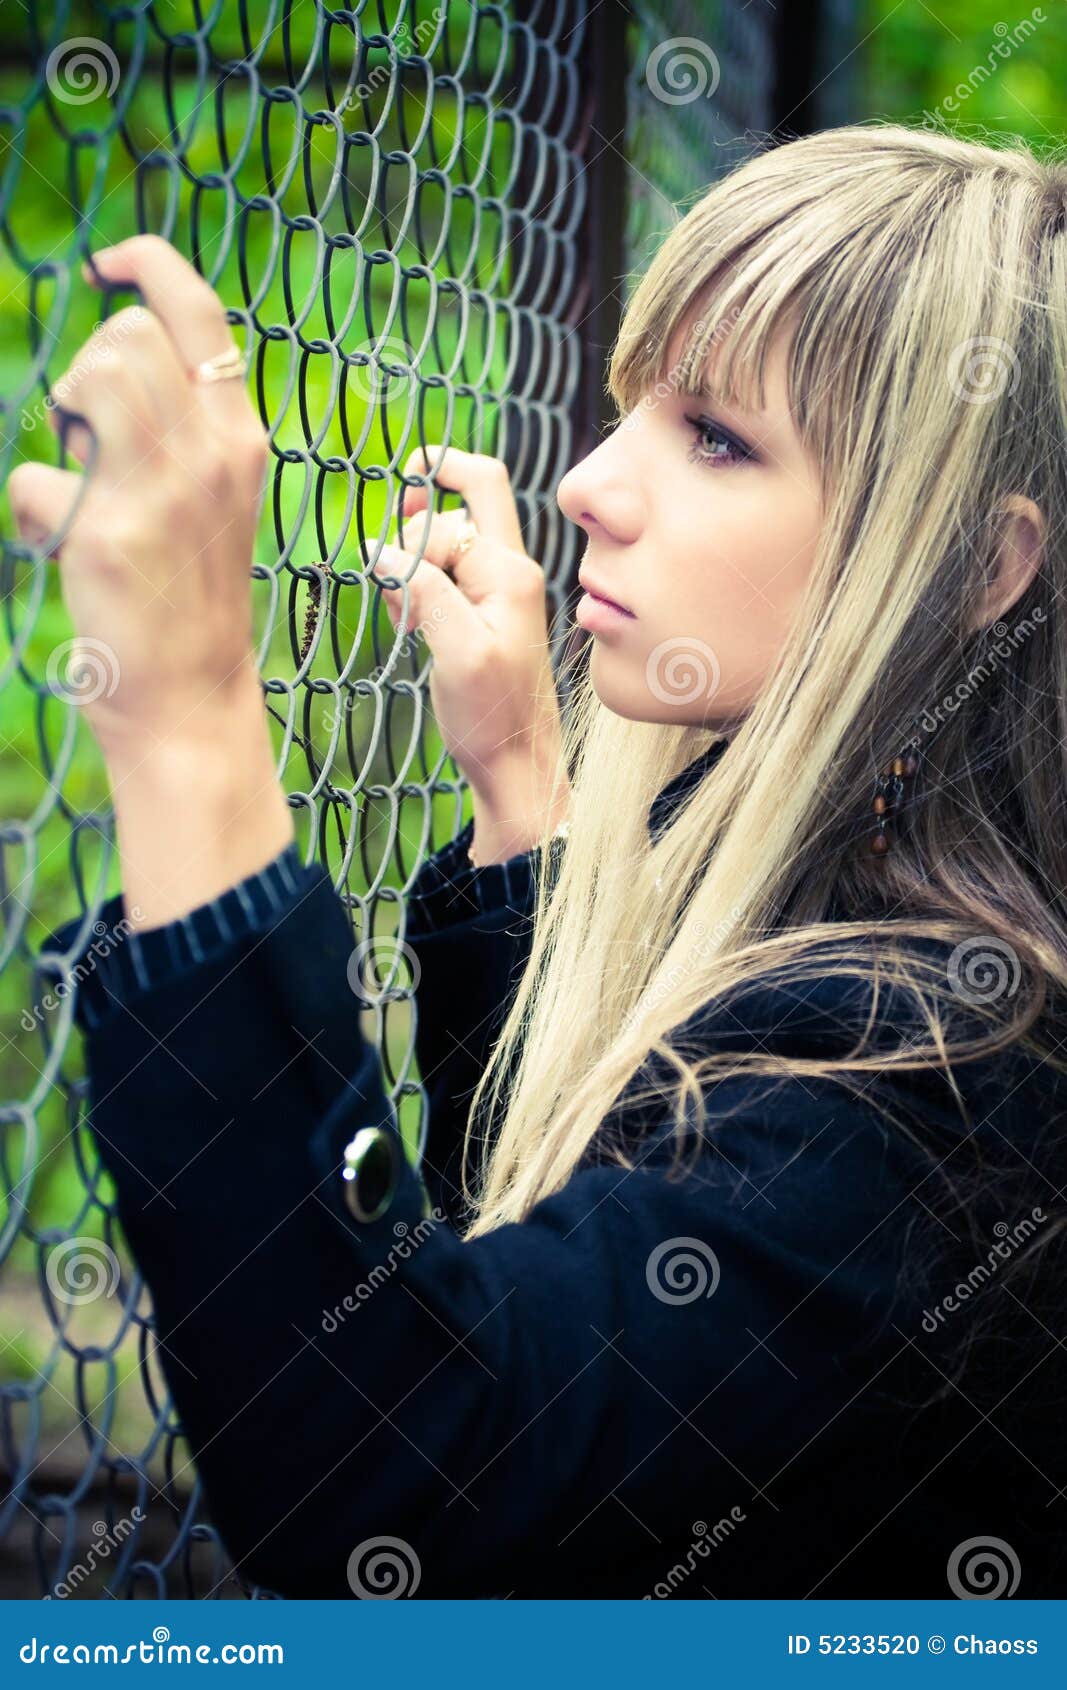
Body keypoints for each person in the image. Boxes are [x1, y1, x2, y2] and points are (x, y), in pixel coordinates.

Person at [17, 120, 1067, 1600]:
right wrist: (521, 783)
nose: (583, 480)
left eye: (717, 437)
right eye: (635, 407)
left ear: (972, 571)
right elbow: (560, 1264)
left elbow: (414, 1484)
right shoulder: (884, 921)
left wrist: (190, 722)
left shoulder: (945, 1074)